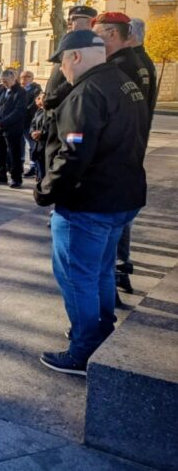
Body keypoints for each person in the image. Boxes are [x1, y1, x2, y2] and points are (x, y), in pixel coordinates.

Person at [34, 29, 148, 376]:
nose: (62, 71)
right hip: (121, 197)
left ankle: (84, 349)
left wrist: (45, 191)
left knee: (75, 276)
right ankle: (100, 332)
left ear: (76, 57)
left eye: (62, 63)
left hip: (89, 203)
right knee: (99, 270)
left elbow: (72, 155)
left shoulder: (86, 93)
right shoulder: (126, 84)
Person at [95, 12, 155, 296]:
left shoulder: (122, 65)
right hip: (134, 146)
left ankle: (118, 271)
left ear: (117, 34)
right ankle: (120, 266)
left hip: (120, 150)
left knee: (115, 217)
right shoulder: (143, 62)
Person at [43, 5, 97, 113]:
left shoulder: (91, 45)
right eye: (68, 19)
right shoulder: (69, 41)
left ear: (90, 21)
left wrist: (50, 99)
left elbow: (76, 78)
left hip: (65, 109)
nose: (68, 22)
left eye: (74, 19)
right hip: (52, 108)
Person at [0, 69, 27, 188]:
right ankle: (1, 175)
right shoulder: (0, 89)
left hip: (13, 128)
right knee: (1, 153)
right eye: (2, 81)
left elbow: (19, 111)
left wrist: (2, 122)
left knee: (15, 154)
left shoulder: (21, 92)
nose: (4, 83)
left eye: (6, 81)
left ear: (13, 79)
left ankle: (16, 178)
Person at [20, 70, 42, 177]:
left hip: (30, 121)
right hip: (20, 121)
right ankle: (22, 164)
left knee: (32, 145)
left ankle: (34, 167)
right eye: (22, 77)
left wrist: (21, 111)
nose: (23, 79)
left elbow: (33, 104)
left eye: (27, 77)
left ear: (32, 78)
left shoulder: (36, 89)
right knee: (22, 145)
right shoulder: (20, 89)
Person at [29, 92, 47, 181]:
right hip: (37, 143)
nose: (37, 100)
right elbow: (33, 124)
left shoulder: (51, 111)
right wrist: (33, 132)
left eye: (40, 98)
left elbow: (50, 126)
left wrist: (41, 133)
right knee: (39, 164)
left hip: (45, 143)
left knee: (44, 169)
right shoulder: (39, 110)